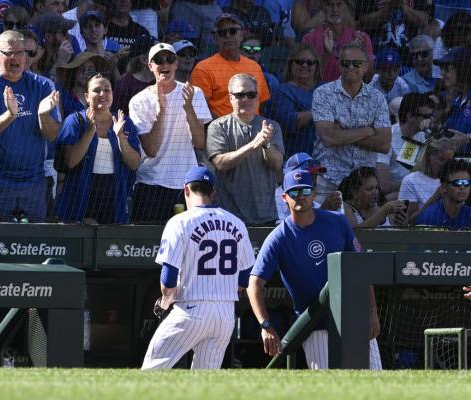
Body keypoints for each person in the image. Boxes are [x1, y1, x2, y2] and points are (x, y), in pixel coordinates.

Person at [247, 168, 382, 370]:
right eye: (294, 192)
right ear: (284, 197)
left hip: (353, 315)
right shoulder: (278, 237)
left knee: (376, 383)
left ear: (314, 193)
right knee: (328, 389)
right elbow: (254, 284)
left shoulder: (336, 221)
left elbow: (360, 267)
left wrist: (371, 312)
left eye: (305, 190)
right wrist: (266, 326)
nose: (300, 196)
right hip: (315, 324)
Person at [141, 166, 256, 369]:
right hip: (225, 314)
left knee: (152, 368)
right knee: (205, 381)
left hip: (190, 310)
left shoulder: (180, 222)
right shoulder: (237, 223)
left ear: (186, 190)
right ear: (213, 193)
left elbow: (168, 279)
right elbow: (245, 276)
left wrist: (165, 302)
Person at [0, 30, 61, 222]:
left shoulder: (43, 86)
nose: (16, 58)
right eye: (10, 53)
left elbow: (52, 135)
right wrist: (9, 115)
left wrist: (43, 115)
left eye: (21, 52)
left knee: (30, 247)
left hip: (32, 186)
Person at [129, 43, 211, 224]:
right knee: (148, 245)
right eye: (159, 60)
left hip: (186, 184)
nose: (164, 64)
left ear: (176, 64)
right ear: (150, 66)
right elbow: (151, 149)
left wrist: (188, 108)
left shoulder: (194, 93)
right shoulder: (139, 100)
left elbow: (199, 142)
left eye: (170, 59)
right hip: (150, 184)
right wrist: (161, 111)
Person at [312, 43, 391, 204]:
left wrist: (343, 132)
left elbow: (384, 144)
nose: (351, 67)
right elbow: (329, 139)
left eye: (357, 63)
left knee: (364, 228)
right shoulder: (323, 93)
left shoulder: (377, 98)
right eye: (345, 63)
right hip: (329, 181)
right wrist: (368, 130)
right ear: (339, 65)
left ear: (366, 66)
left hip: (364, 183)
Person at [55, 74, 140, 223]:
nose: (102, 94)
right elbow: (69, 162)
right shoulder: (75, 121)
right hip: (81, 195)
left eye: (107, 90)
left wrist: (120, 136)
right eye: (97, 90)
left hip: (114, 196)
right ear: (87, 96)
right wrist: (90, 131)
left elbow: (134, 164)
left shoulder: (124, 122)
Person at [207, 73, 284, 225]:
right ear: (230, 98)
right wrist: (253, 145)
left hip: (265, 215)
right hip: (227, 215)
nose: (246, 99)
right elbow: (220, 163)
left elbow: (277, 164)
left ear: (257, 97)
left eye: (251, 95)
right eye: (240, 95)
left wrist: (266, 144)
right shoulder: (218, 126)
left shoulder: (271, 126)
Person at [190, 13, 270, 119]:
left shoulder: (254, 66)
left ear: (242, 35)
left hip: (253, 130)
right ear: (215, 37)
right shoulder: (203, 68)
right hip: (220, 132)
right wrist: (226, 127)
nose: (228, 35)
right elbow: (200, 109)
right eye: (222, 33)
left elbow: (262, 103)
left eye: (233, 31)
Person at [263, 42, 321, 158]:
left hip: (325, 157)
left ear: (316, 66)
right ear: (291, 64)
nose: (304, 65)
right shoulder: (281, 91)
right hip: (295, 158)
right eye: (299, 62)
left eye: (309, 62)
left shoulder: (324, 88)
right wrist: (319, 111)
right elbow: (289, 122)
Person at [376, 93, 436, 200]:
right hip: (391, 197)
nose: (431, 120)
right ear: (410, 116)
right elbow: (383, 186)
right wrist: (411, 185)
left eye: (432, 115)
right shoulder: (387, 138)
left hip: (414, 191)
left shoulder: (423, 135)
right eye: (426, 116)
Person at [302, 0, 374, 83]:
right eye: (329, 4)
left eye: (339, 4)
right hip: (320, 92)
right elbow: (306, 78)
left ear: (346, 7)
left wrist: (358, 55)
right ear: (322, 7)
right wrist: (325, 54)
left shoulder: (361, 38)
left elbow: (369, 78)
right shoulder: (310, 38)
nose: (334, 9)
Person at [398, 137, 455, 222]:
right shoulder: (411, 181)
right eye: (441, 159)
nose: (446, 164)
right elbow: (408, 222)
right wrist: (434, 199)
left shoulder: (456, 180)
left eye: (449, 161)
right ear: (429, 157)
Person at [274, 152, 342, 220]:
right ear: (294, 176)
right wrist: (323, 211)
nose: (314, 180)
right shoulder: (274, 198)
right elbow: (286, 228)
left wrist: (329, 214)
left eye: (315, 175)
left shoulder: (313, 201)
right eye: (309, 175)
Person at [339, 166, 408, 228]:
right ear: (354, 192)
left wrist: (403, 225)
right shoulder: (345, 207)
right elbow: (355, 233)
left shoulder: (382, 205)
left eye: (377, 188)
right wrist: (383, 212)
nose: (375, 192)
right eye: (369, 189)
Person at [414, 159, 471, 229]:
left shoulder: (469, 214)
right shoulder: (428, 218)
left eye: (466, 183)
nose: (462, 187)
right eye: (457, 183)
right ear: (444, 187)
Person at [55, 51, 111, 118]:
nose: (85, 72)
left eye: (90, 69)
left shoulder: (100, 97)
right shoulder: (63, 95)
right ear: (74, 71)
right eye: (81, 68)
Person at [111, 34, 155, 115]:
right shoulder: (124, 85)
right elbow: (117, 116)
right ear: (144, 60)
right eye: (156, 54)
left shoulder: (163, 80)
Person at [32, 12, 76, 79]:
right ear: (48, 36)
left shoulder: (71, 47)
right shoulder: (35, 60)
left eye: (68, 31)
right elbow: (45, 86)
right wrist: (60, 62)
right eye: (64, 32)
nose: (68, 37)